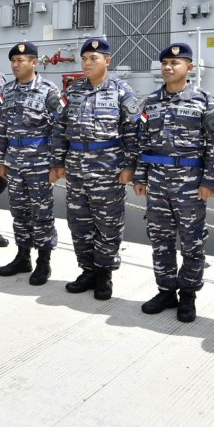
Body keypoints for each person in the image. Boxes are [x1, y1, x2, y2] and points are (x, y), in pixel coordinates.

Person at [132, 43, 214, 322]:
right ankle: (165, 290)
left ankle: (188, 295)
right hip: (158, 182)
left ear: (189, 68)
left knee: (192, 241)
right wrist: (140, 176)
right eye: (165, 64)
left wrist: (210, 181)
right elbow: (142, 142)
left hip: (190, 184)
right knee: (160, 239)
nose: (169, 68)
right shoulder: (150, 102)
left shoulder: (203, 100)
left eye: (176, 63)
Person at [51, 37, 139, 300]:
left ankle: (104, 274)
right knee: (79, 223)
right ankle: (87, 270)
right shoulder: (73, 92)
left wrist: (130, 166)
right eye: (85, 59)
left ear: (107, 61)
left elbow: (133, 133)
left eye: (94, 59)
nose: (87, 63)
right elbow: (59, 128)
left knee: (108, 224)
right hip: (76, 169)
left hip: (108, 170)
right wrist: (58, 161)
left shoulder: (123, 92)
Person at [0, 42, 63, 281]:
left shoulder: (49, 90)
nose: (15, 65)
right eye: (13, 61)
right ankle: (23, 257)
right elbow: (1, 128)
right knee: (19, 212)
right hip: (13, 162)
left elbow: (59, 129)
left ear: (34, 62)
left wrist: (55, 164)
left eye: (20, 61)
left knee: (41, 213)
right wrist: (1, 161)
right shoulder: (8, 90)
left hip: (39, 163)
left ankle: (44, 262)